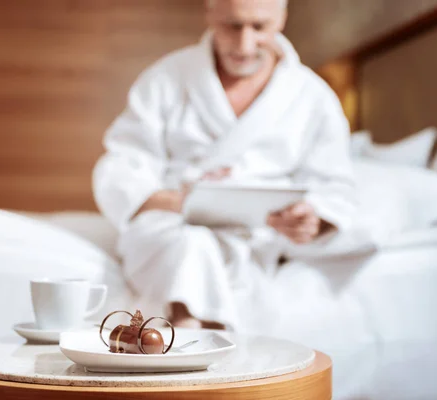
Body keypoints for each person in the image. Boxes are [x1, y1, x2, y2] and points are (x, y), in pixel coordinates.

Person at [93, 0, 357, 332]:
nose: (244, 45)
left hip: (253, 237)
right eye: (232, 25)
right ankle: (190, 336)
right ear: (210, 14)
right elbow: (122, 166)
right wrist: (183, 203)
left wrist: (312, 219)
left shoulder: (313, 97)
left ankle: (182, 344)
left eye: (259, 27)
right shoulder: (166, 78)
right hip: (168, 226)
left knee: (214, 253)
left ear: (282, 19)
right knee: (192, 244)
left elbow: (335, 188)